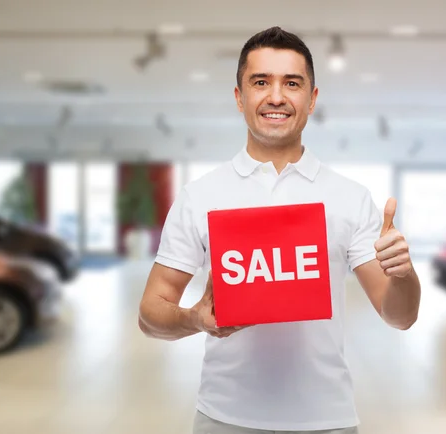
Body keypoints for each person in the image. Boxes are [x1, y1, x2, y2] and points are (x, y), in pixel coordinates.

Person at [138, 26, 421, 434]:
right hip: (223, 418)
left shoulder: (350, 197)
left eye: (292, 83)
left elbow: (401, 316)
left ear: (312, 99)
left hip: (328, 421)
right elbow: (150, 314)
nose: (276, 96)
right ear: (239, 97)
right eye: (260, 82)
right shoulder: (200, 196)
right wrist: (194, 318)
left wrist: (403, 273)